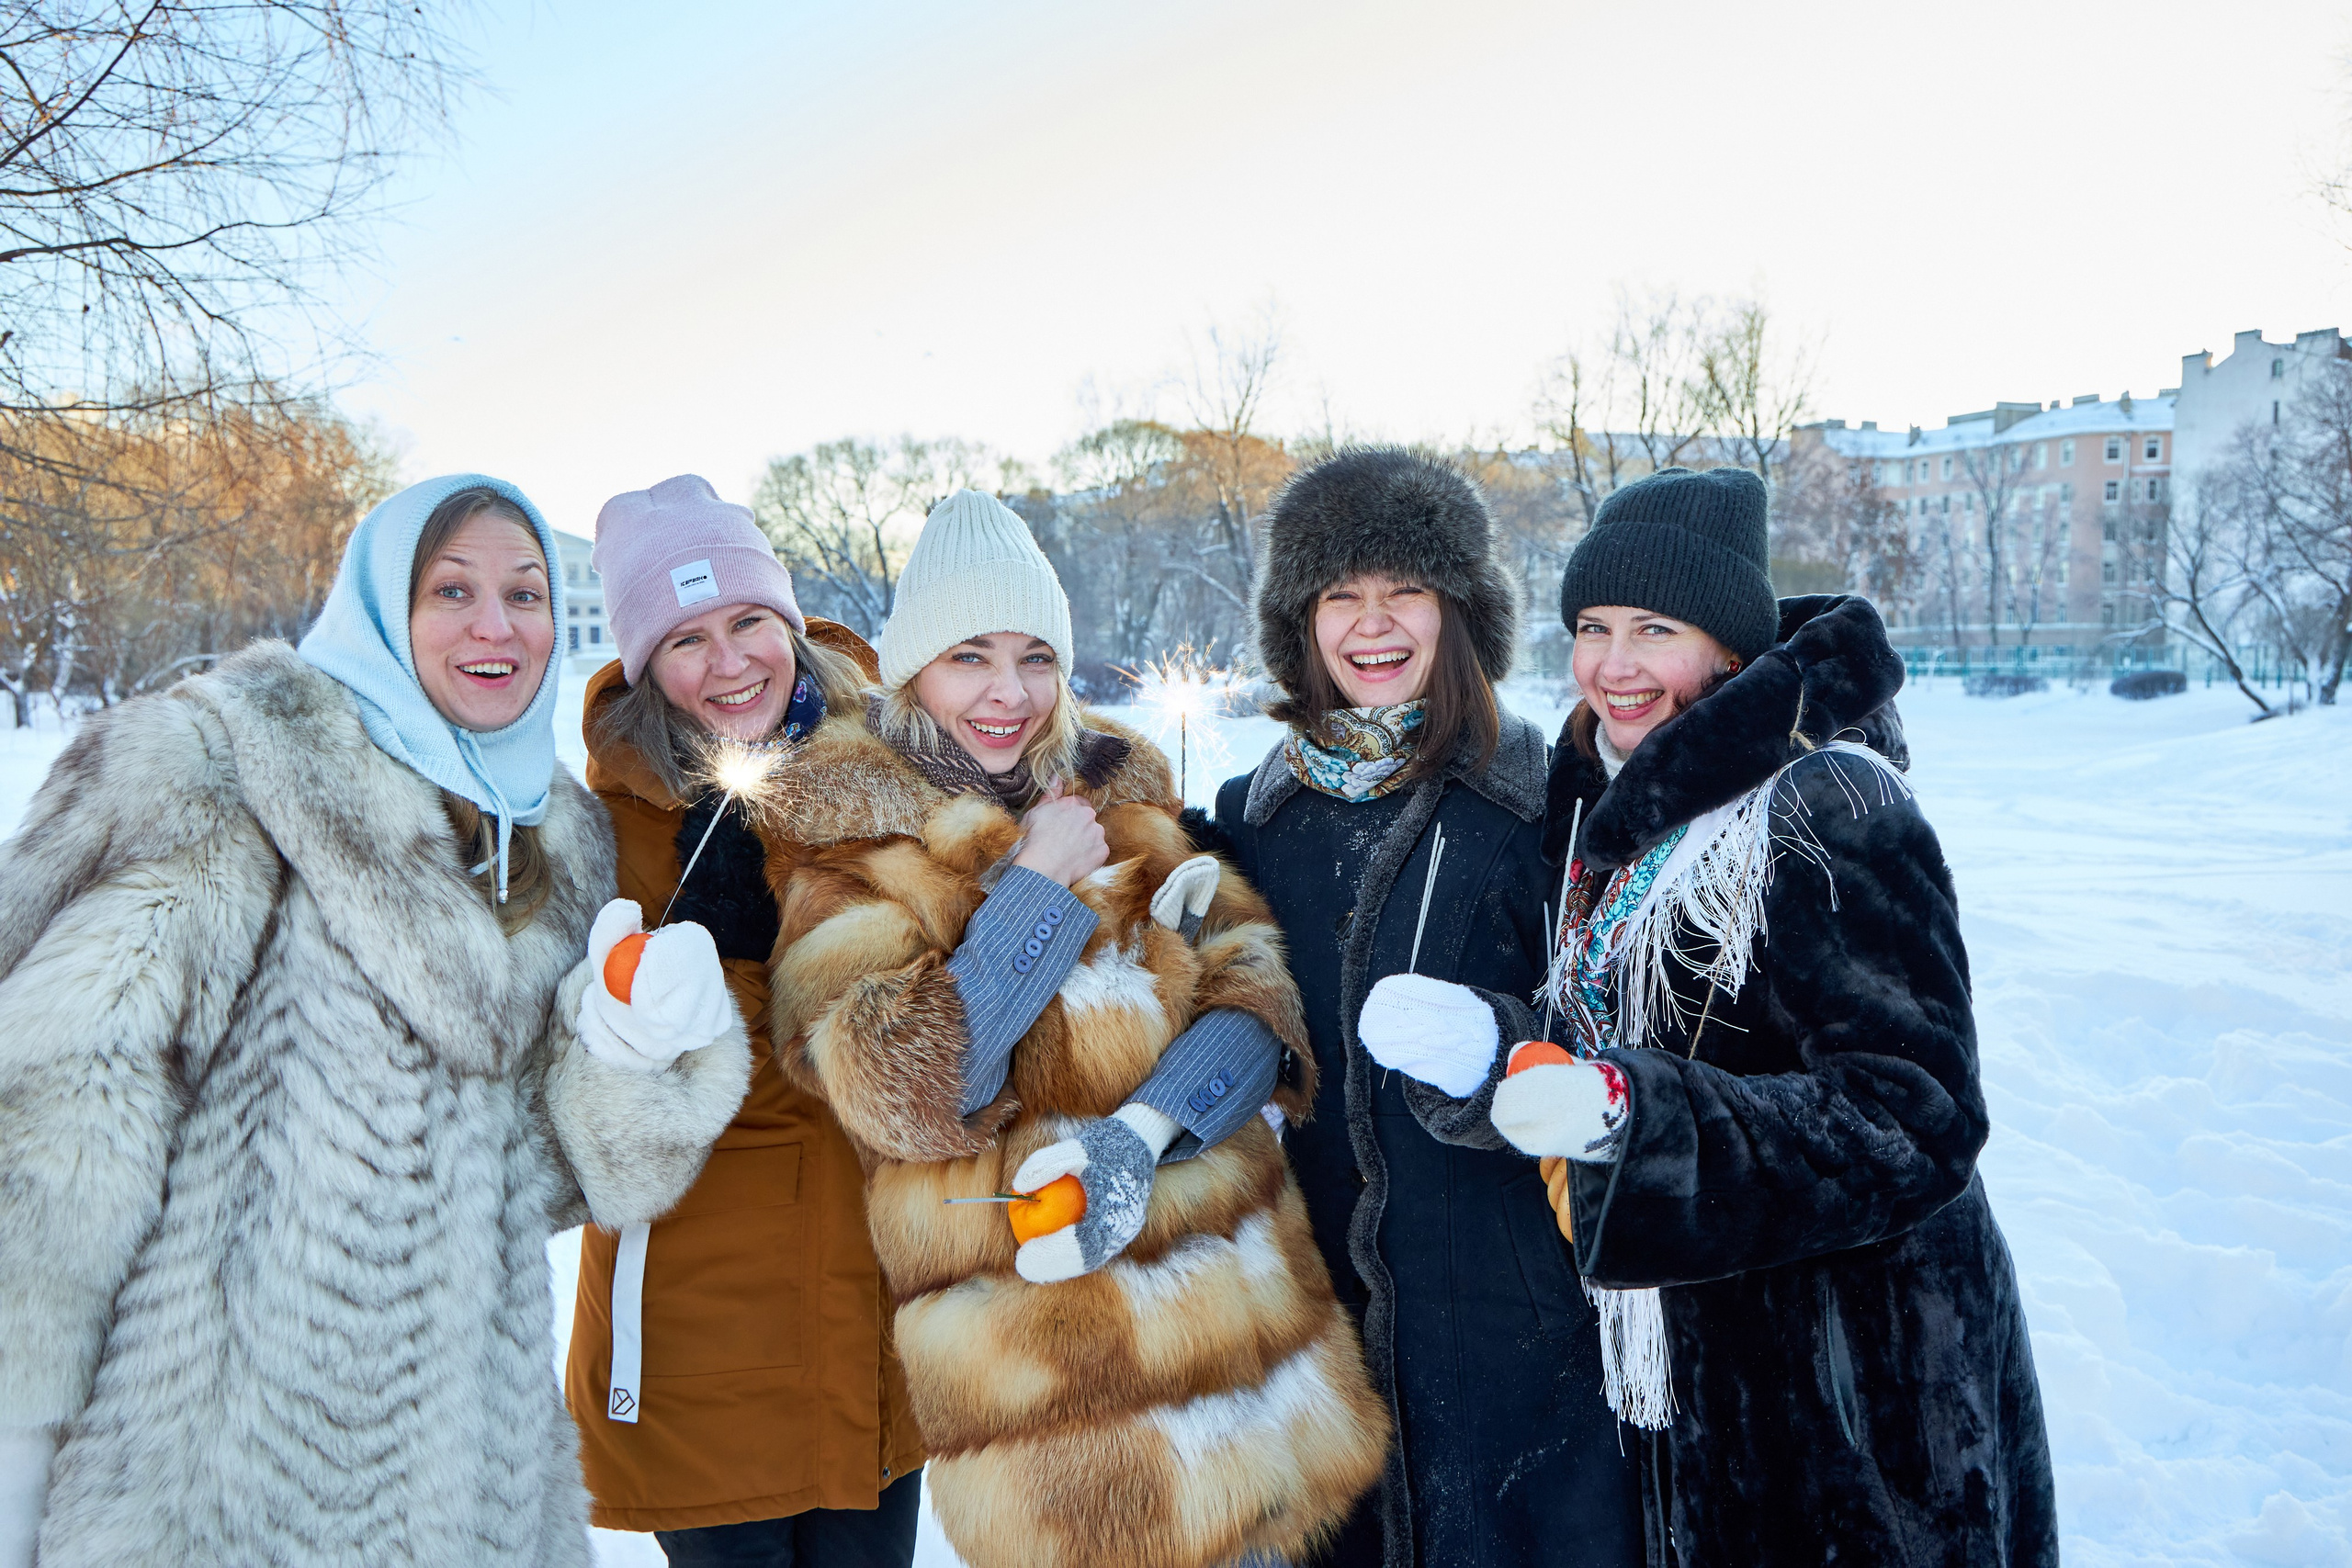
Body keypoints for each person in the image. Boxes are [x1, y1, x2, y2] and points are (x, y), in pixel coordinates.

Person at [0, 475, 750, 1568]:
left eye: (527, 593)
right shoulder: (214, 775)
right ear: (379, 610)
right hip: (208, 1495)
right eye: (452, 590)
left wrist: (630, 1052)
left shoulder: (555, 841)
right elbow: (57, 1139)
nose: (497, 626)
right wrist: (17, 1464)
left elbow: (531, 1178)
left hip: (474, 1491)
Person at [1370, 466, 2059, 1566]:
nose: (1613, 664)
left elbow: (1915, 1119)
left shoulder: (1826, 806)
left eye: (1656, 628)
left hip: (1852, 1391)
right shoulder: (1607, 807)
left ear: (1729, 648)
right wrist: (1493, 1053)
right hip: (1691, 1383)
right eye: (1592, 626)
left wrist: (1626, 1119)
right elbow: (1605, 1037)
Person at [762, 490, 1389, 1568]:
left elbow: (1257, 1002)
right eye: (970, 657)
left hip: (1260, 1370)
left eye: (1035, 657)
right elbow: (912, 1094)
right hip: (1066, 1413)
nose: (1009, 693)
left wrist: (1141, 1135)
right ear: (913, 669)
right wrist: (1038, 893)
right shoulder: (849, 847)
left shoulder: (1128, 801)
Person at [1210, 448, 1645, 1568]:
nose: (1372, 622)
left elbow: (1616, 1038)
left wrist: (1498, 1050)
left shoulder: (1541, 799)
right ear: (1299, 624)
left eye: (1403, 588)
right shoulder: (1248, 820)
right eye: (1339, 594)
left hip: (1505, 1326)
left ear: (1457, 613)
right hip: (1318, 1337)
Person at [561, 474, 925, 1564]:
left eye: (750, 621)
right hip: (693, 1343)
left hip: (870, 1331)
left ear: (789, 625)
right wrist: (639, 1022)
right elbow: (563, 1097)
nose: (729, 664)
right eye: (686, 639)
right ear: (643, 667)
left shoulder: (891, 783)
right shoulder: (599, 840)